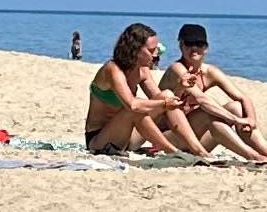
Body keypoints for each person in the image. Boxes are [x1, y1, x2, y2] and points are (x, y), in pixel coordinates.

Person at [85, 22, 208, 157]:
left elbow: (164, 104)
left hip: (129, 137)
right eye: (151, 51)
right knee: (136, 107)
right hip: (100, 141)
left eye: (157, 49)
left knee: (165, 94)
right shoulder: (112, 69)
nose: (156, 55)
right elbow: (132, 105)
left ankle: (198, 150)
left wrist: (180, 88)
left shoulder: (142, 70)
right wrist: (164, 103)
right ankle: (171, 151)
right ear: (135, 50)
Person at [169, 24, 267, 165]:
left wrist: (250, 120)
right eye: (189, 43)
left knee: (235, 106)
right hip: (171, 136)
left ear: (206, 48)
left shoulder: (209, 72)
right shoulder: (176, 69)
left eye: (199, 44)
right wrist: (236, 121)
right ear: (181, 46)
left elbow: (242, 97)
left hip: (196, 139)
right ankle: (252, 156)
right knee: (209, 113)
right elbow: (201, 99)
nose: (194, 48)